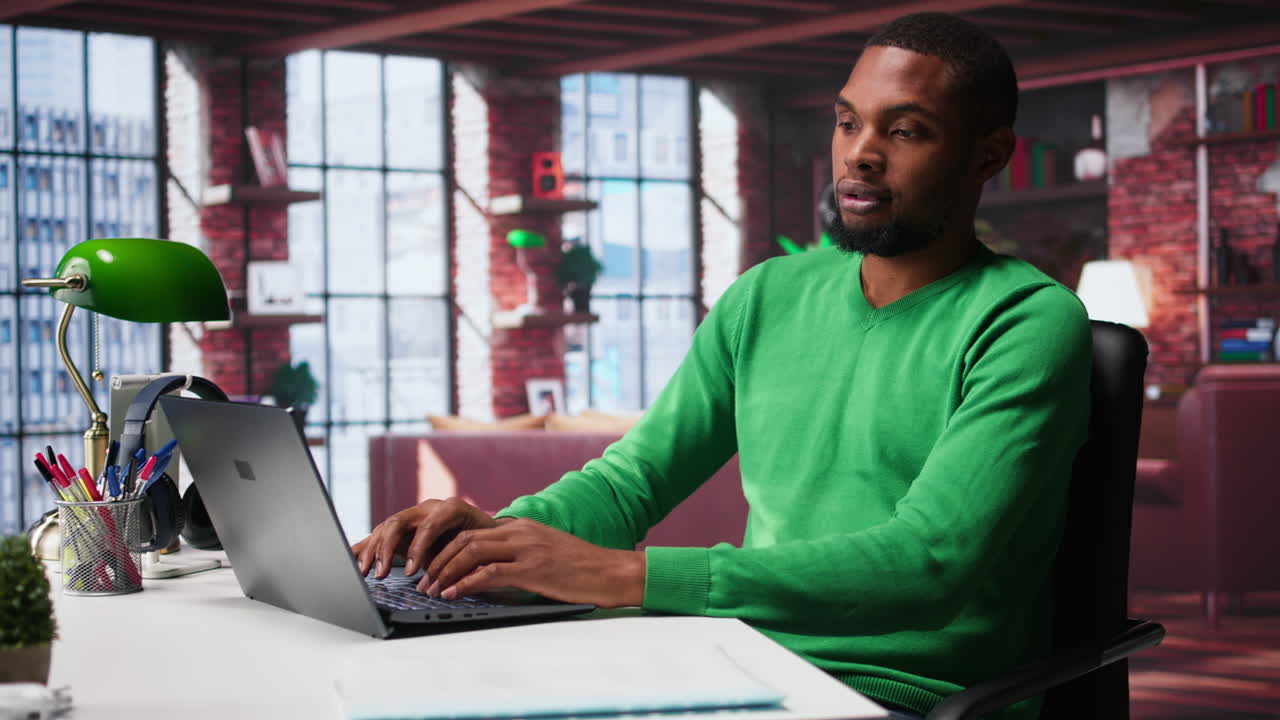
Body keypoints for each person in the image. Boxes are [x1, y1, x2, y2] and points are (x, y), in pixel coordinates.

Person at [353, 12, 1090, 720]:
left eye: (905, 131)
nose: (860, 153)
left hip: (896, 692)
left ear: (989, 155)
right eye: (847, 122)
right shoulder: (765, 296)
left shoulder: (1027, 321)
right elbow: (632, 481)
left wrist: (627, 577)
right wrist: (493, 543)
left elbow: (928, 565)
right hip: (730, 661)